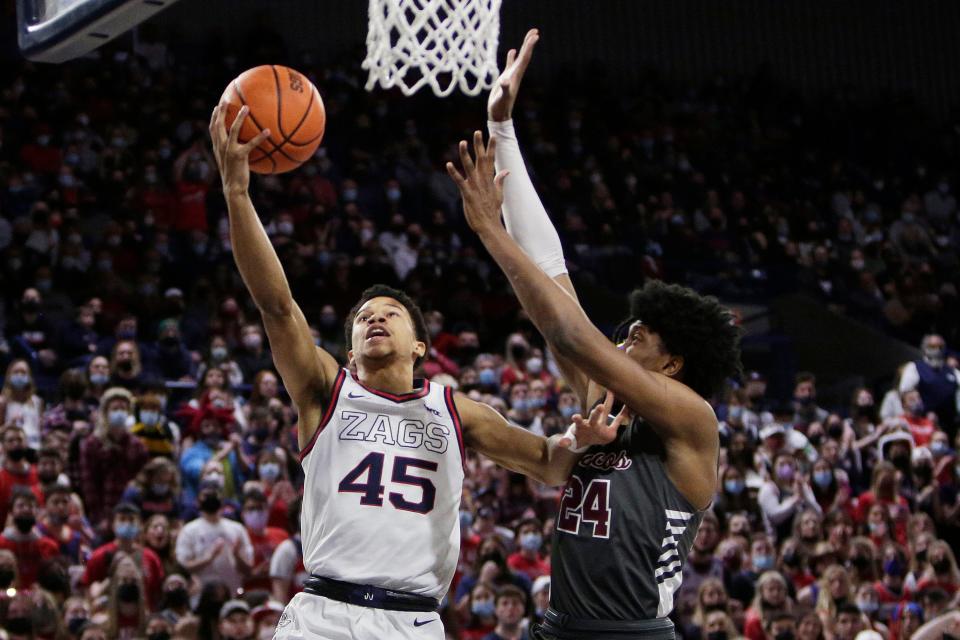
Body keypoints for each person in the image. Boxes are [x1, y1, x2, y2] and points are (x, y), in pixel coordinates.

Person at [209, 90, 613, 639]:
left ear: (421, 345)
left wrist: (587, 442)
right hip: (322, 614)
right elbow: (277, 306)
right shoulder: (325, 390)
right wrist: (237, 192)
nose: (375, 319)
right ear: (349, 351)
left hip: (412, 621)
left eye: (391, 313)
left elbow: (548, 463)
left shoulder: (458, 411)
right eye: (364, 317)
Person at [448, 28, 741, 639]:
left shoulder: (691, 420)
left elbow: (571, 332)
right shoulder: (606, 403)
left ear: (673, 365)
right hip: (558, 625)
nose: (627, 333)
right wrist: (501, 130)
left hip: (631, 633)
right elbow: (552, 272)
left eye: (643, 335)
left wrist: (487, 230)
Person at [899, 334, 960, 431]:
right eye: (933, 347)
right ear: (925, 348)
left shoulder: (953, 372)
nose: (937, 350)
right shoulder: (914, 367)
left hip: (950, 424)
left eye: (940, 347)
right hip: (922, 423)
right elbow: (906, 395)